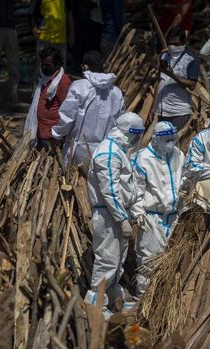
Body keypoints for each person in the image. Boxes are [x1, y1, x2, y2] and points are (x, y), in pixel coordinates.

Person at [85, 112, 145, 318]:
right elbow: (109, 190)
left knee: (117, 260)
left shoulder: (117, 151)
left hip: (116, 213)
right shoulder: (108, 153)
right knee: (107, 259)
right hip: (108, 215)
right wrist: (121, 218)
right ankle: (95, 304)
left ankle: (110, 299)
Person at [131, 121, 185, 294]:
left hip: (174, 215)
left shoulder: (177, 154)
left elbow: (183, 180)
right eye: (167, 140)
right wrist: (138, 212)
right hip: (152, 217)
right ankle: (144, 300)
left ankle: (164, 299)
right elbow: (136, 190)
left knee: (173, 260)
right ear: (156, 139)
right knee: (149, 260)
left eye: (172, 139)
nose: (171, 143)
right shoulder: (143, 158)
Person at [52, 51, 124, 166]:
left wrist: (57, 135)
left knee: (75, 182)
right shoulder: (116, 92)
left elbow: (67, 116)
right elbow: (120, 122)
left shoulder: (79, 86)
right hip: (105, 151)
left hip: (78, 150)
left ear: (84, 66)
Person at [24, 47, 72, 149]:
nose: (44, 68)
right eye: (43, 65)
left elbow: (68, 111)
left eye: (48, 65)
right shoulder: (43, 80)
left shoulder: (63, 81)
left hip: (52, 134)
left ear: (57, 65)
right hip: (41, 131)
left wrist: (59, 135)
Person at [155, 27, 200, 130]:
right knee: (161, 142)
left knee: (174, 142)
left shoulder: (191, 59)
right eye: (170, 44)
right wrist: (155, 108)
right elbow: (159, 82)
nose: (172, 47)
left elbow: (192, 85)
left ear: (184, 42)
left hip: (179, 112)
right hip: (162, 110)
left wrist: (172, 75)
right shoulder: (165, 56)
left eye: (176, 44)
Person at [30, 0, 75, 71]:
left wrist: (72, 32)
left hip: (61, 39)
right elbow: (32, 13)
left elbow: (69, 13)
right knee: (43, 69)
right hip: (44, 39)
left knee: (61, 69)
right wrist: (34, 29)